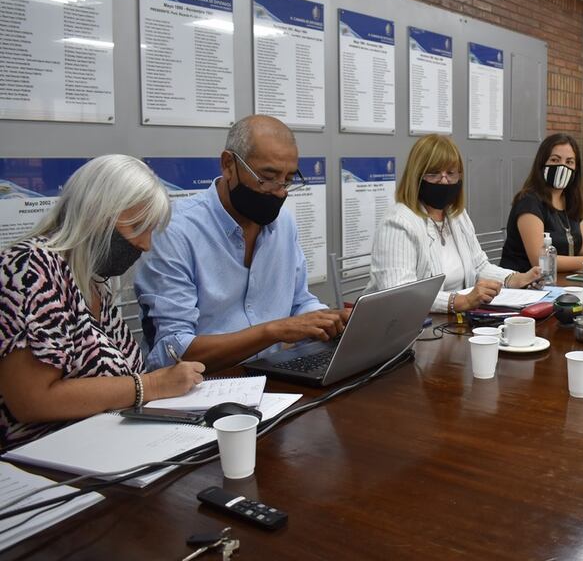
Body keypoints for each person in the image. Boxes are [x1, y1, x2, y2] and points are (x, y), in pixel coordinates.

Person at [0, 156, 204, 451]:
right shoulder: (31, 268)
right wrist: (153, 385)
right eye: (137, 227)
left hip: (102, 447)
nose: (146, 245)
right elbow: (32, 400)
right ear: (95, 213)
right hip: (40, 460)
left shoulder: (93, 283)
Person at [135, 115, 349, 372]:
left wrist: (328, 319)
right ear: (228, 165)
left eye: (289, 179)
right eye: (267, 177)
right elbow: (172, 352)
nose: (280, 191)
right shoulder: (174, 232)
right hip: (202, 388)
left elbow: (299, 301)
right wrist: (272, 332)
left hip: (273, 375)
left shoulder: (283, 224)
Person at [364, 134, 540, 313]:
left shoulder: (456, 215)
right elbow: (400, 293)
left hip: (454, 322)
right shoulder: (398, 222)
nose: (444, 180)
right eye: (433, 174)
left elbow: (479, 266)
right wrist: (459, 301)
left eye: (450, 173)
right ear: (416, 176)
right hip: (410, 328)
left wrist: (513, 279)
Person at [500, 133, 583, 273]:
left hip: (559, 281)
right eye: (555, 160)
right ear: (542, 163)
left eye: (569, 162)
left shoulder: (572, 200)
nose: (562, 167)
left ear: (576, 169)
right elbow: (539, 259)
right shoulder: (528, 201)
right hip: (523, 286)